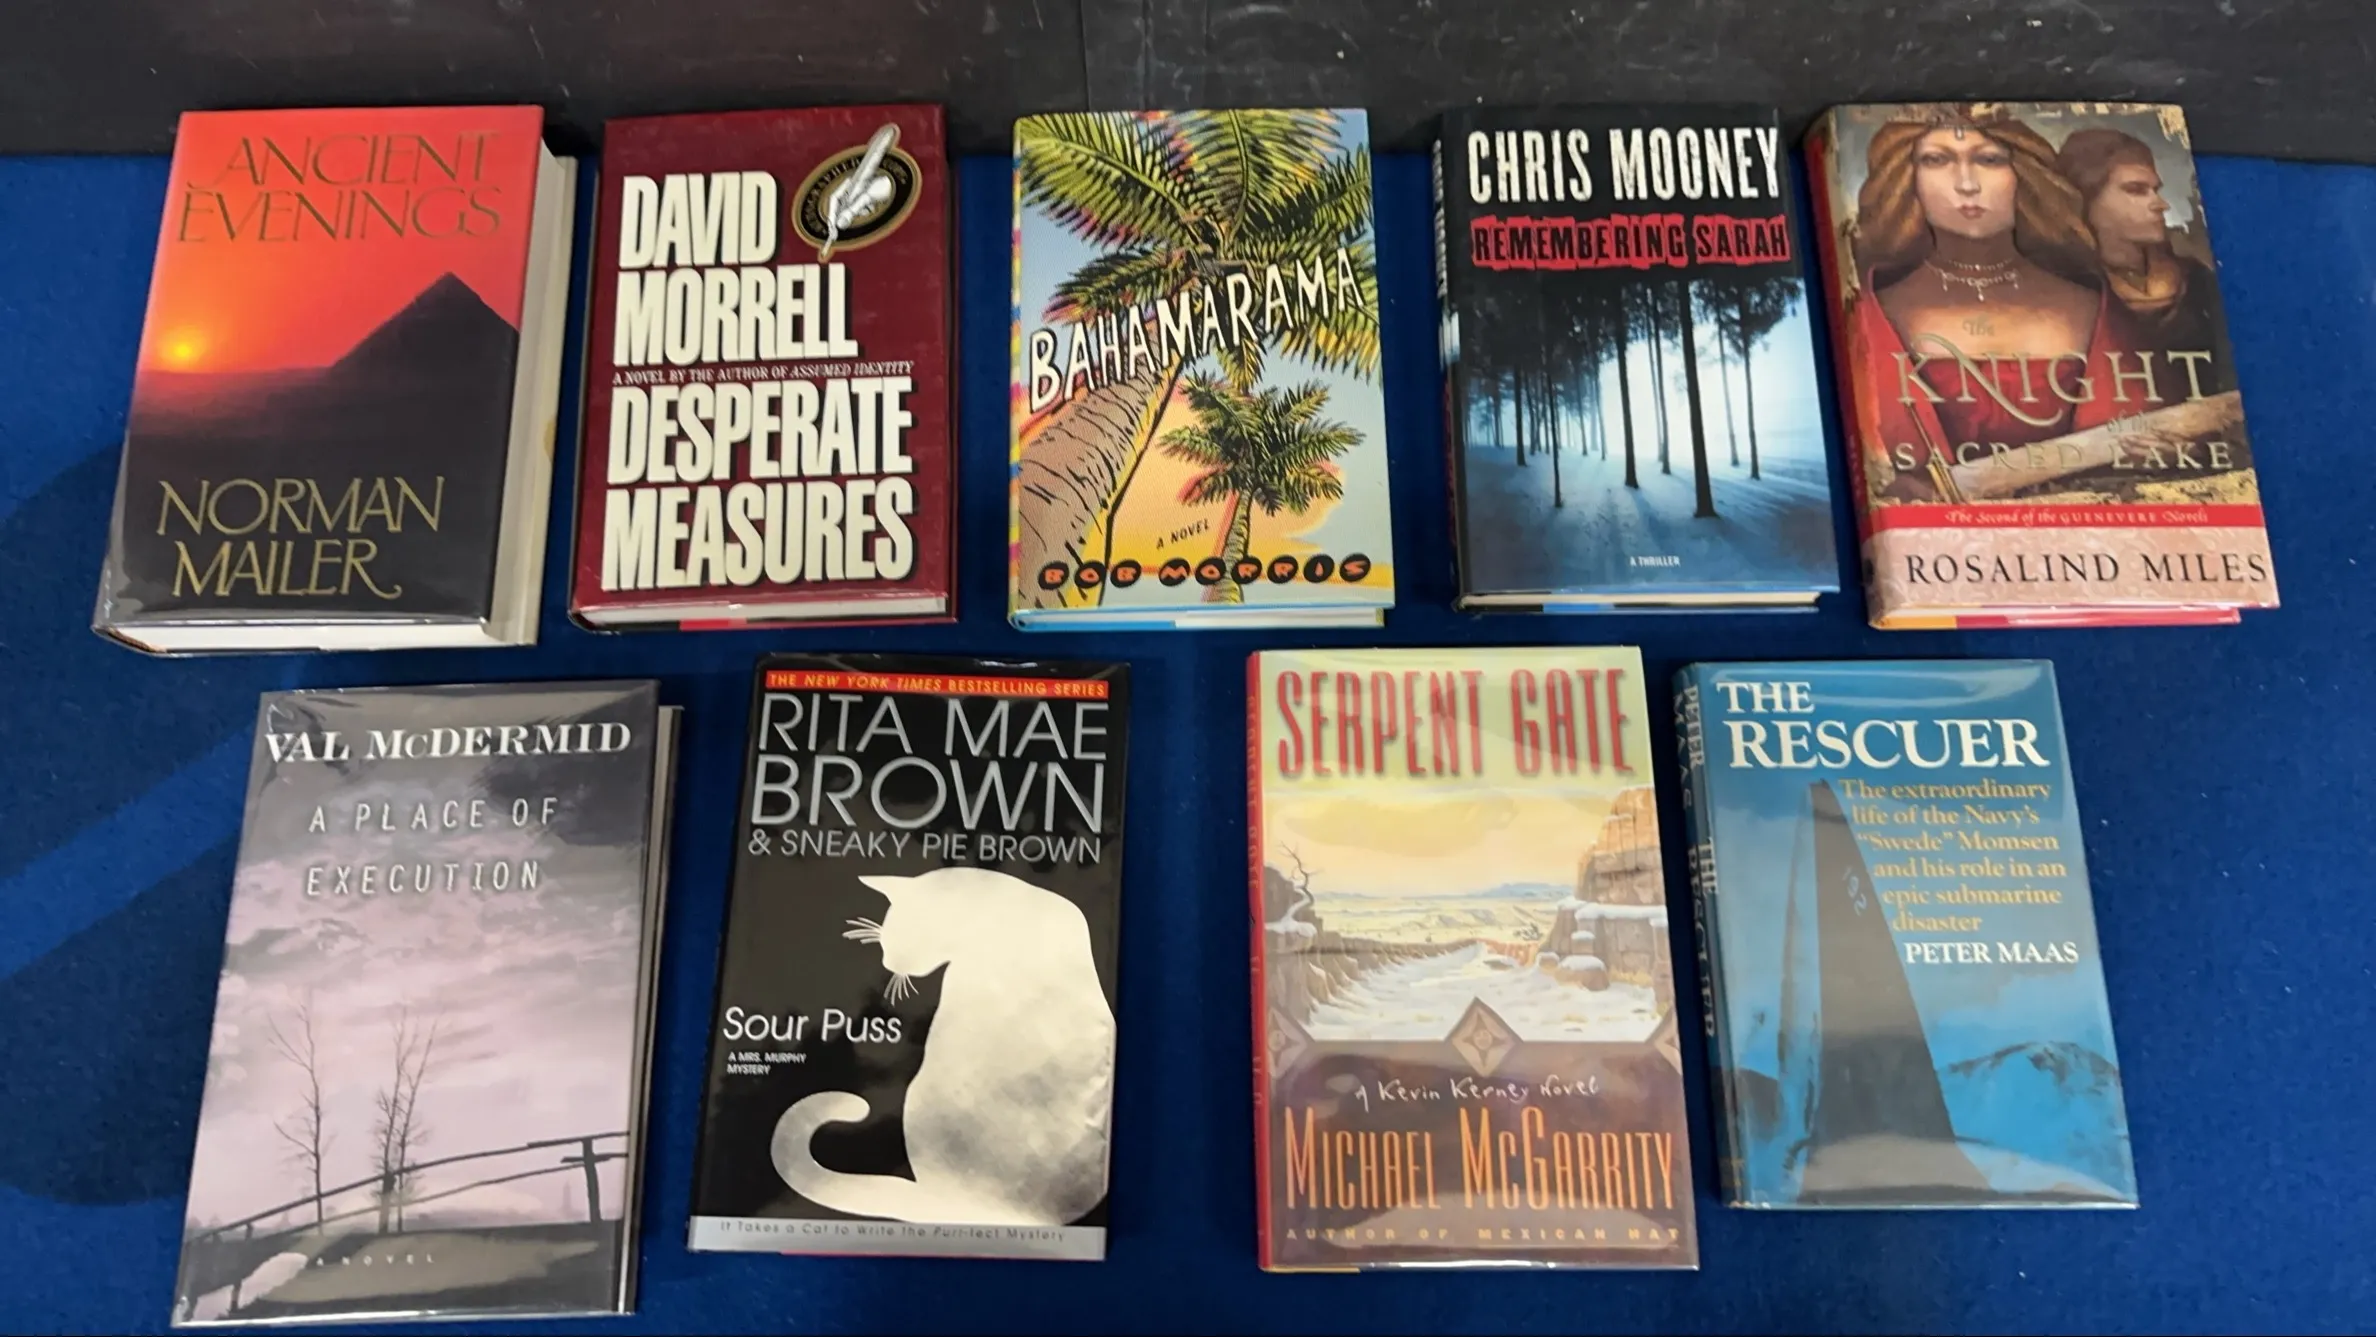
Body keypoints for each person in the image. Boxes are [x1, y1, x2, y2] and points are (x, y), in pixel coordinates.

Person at [1845, 107, 2134, 500]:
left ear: (2023, 175)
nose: (1967, 184)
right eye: (1936, 160)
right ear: (1906, 180)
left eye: (1989, 160)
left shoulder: (2093, 304)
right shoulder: (1870, 309)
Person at [2056, 127, 2234, 395]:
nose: (2160, 204)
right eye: (2136, 190)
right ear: (2086, 198)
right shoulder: (2069, 287)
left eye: (2155, 190)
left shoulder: (2196, 279)